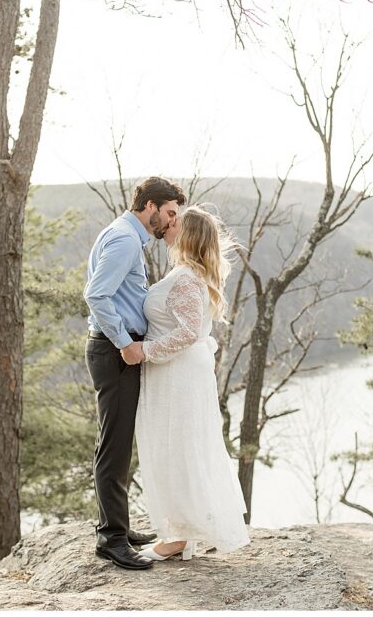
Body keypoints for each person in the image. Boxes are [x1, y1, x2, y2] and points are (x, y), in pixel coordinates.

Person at [135, 206, 250, 561]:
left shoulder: (185, 278)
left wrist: (143, 351)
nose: (169, 225)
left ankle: (179, 537)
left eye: (176, 223)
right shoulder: (186, 272)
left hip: (178, 374)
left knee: (177, 449)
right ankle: (181, 531)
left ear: (188, 235)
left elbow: (187, 333)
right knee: (176, 447)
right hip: (176, 372)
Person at [83, 176, 185, 570]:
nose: (171, 221)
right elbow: (96, 294)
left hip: (115, 351)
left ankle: (118, 529)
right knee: (114, 445)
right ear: (151, 206)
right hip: (114, 352)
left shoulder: (126, 235)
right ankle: (110, 539)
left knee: (117, 442)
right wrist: (126, 343)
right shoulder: (126, 240)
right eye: (170, 212)